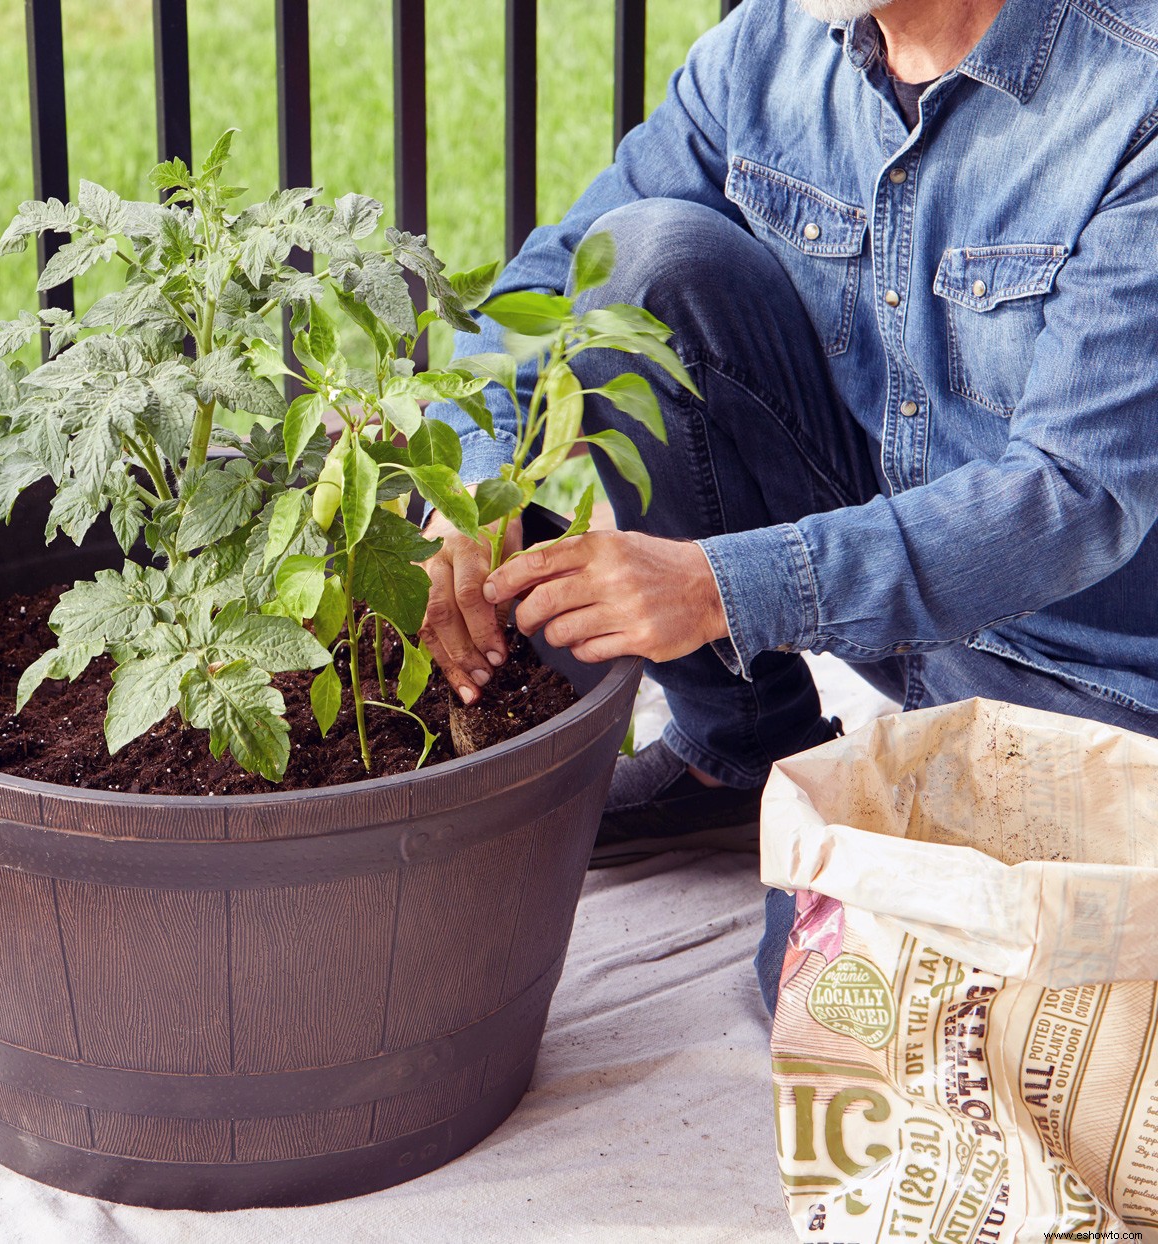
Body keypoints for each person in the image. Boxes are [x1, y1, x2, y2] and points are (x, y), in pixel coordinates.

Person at [420, 0, 1158, 1010]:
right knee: (643, 261)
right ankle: (738, 748)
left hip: (1093, 666)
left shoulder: (1135, 95)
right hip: (894, 590)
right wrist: (465, 478)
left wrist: (721, 586)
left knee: (826, 994)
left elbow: (1074, 497)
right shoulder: (768, 48)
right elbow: (557, 275)